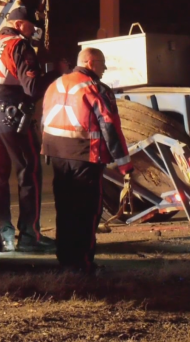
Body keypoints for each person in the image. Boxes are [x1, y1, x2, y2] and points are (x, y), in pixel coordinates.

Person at [0, 5, 59, 253]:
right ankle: (30, 236)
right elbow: (31, 88)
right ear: (20, 25)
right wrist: (56, 75)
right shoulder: (19, 46)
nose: (34, 31)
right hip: (12, 118)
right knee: (28, 174)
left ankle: (4, 237)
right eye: (31, 26)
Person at [40, 47, 133, 272]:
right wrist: (124, 163)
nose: (105, 68)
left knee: (64, 208)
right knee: (86, 210)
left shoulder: (55, 85)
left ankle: (65, 259)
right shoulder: (96, 88)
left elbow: (44, 119)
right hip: (85, 156)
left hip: (58, 155)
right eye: (102, 63)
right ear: (91, 63)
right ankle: (83, 262)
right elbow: (110, 127)